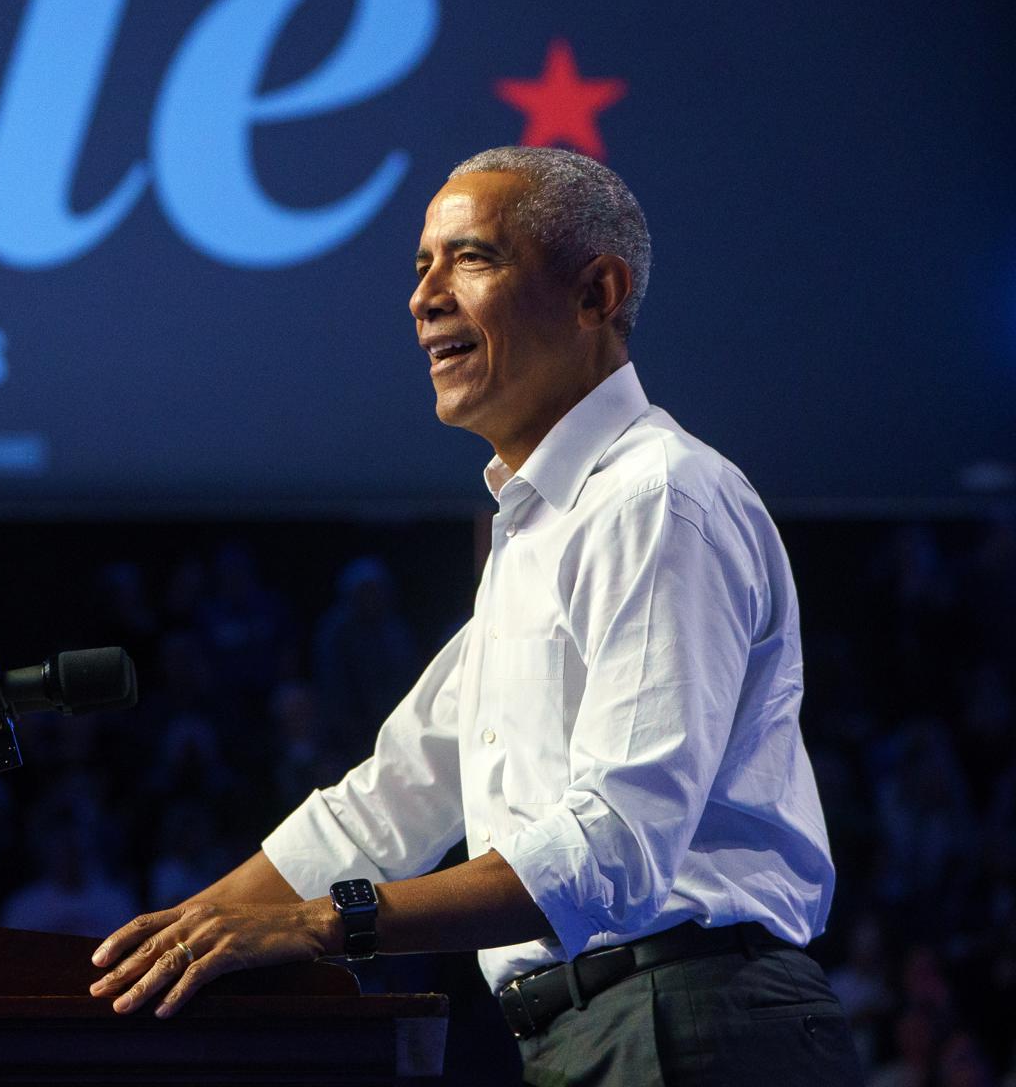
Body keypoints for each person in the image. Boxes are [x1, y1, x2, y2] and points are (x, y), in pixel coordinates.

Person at [88, 146, 861, 1085]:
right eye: (420, 267)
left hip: (688, 1027)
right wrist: (165, 948)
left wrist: (329, 924)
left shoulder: (657, 499)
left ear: (596, 293)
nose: (424, 298)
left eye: (472, 258)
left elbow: (615, 839)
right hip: (596, 1032)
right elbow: (392, 796)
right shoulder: (540, 531)